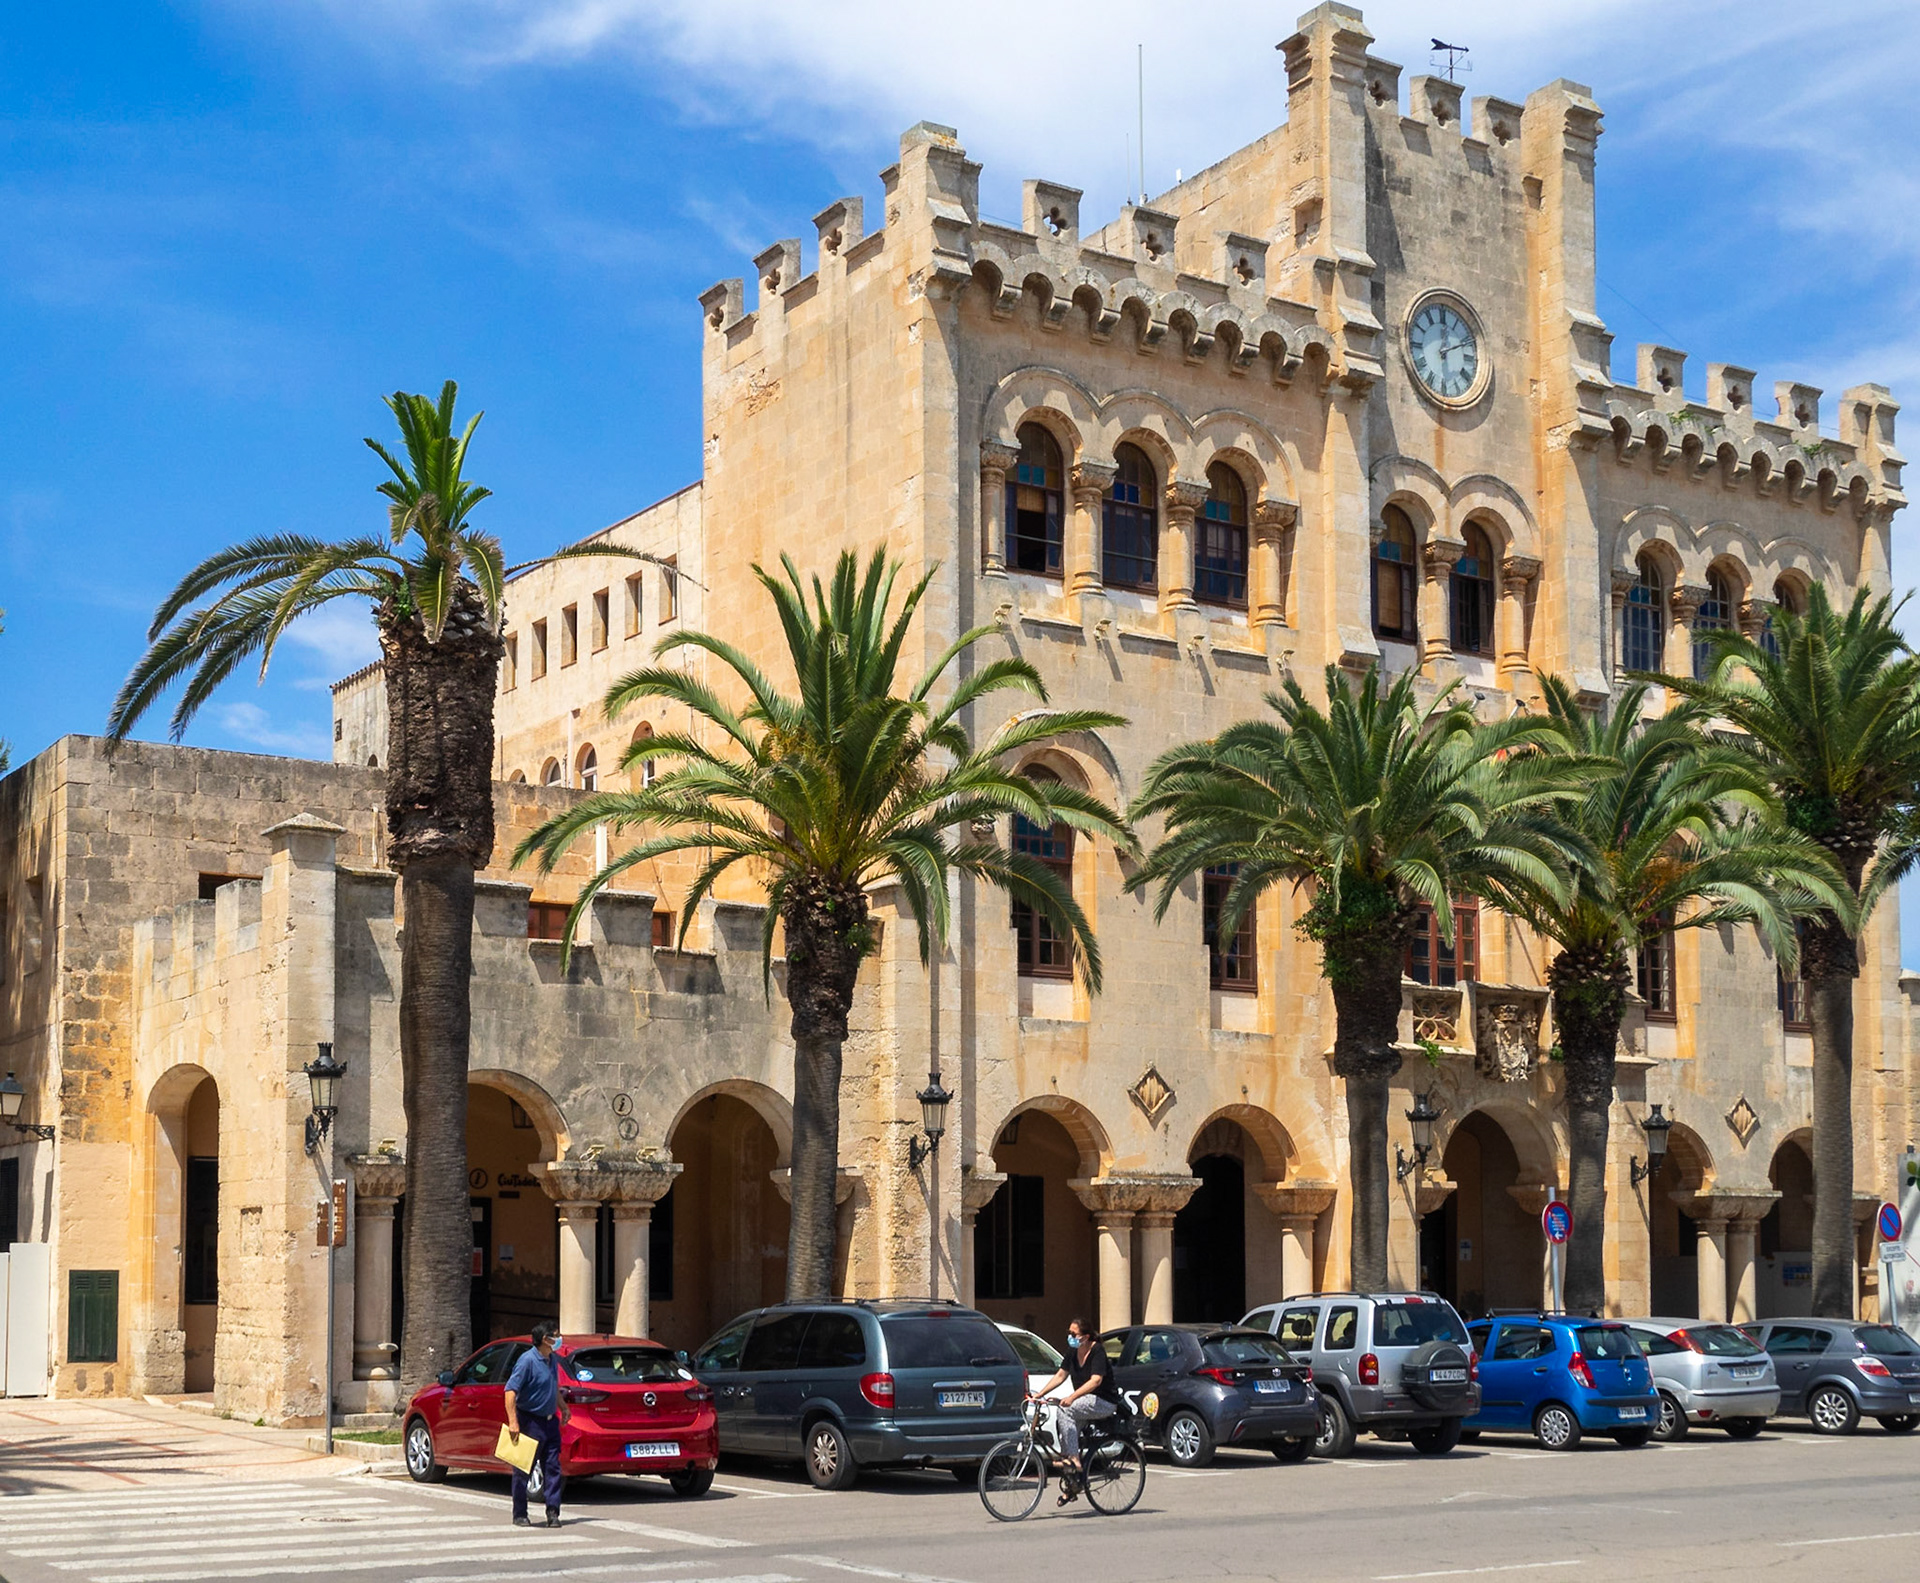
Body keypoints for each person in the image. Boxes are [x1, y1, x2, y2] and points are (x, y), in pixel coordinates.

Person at [1031, 1317, 1120, 1506]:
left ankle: (1074, 1460)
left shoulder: (1097, 1351)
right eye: (1068, 1333)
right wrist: (1040, 1394)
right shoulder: (1073, 1351)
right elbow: (1061, 1375)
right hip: (1084, 1402)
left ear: (1085, 1337)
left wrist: (1071, 1397)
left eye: (1073, 1334)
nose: (1070, 1337)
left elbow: (1096, 1380)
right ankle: (1073, 1484)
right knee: (1065, 1433)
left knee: (1066, 1411)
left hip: (1104, 1401)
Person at [503, 1322, 565, 1527]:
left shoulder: (552, 1359)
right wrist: (513, 1422)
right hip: (530, 1422)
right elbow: (510, 1391)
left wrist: (563, 1407)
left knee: (553, 1468)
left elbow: (553, 1387)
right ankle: (520, 1513)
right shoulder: (527, 1361)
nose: (559, 1339)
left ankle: (553, 1512)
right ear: (545, 1339)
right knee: (523, 1470)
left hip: (550, 1422)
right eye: (556, 1336)